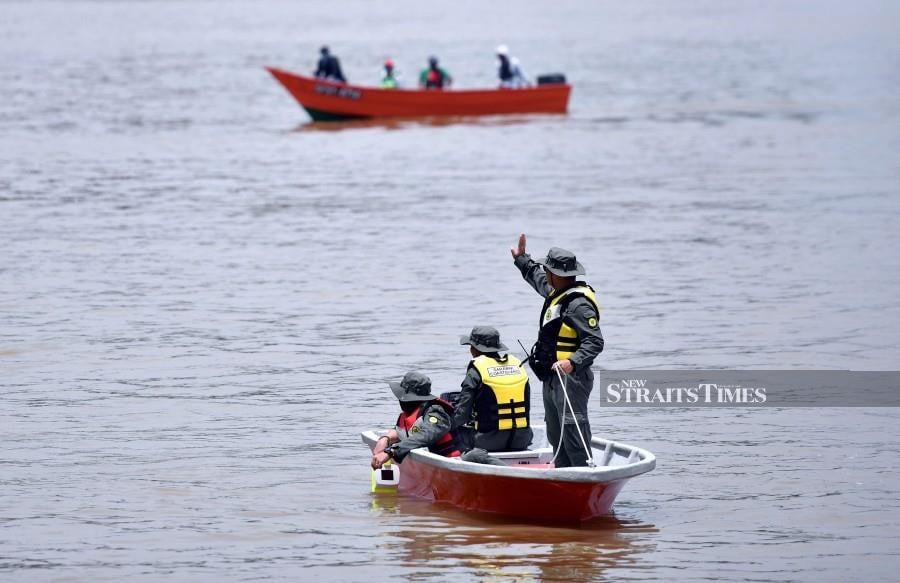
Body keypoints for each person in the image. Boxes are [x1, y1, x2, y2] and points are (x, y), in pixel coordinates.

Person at [510, 234, 604, 467]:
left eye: (548, 270)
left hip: (571, 379)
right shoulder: (556, 292)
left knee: (573, 430)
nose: (545, 274)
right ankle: (562, 472)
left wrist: (572, 362)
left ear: (557, 274)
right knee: (555, 433)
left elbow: (594, 341)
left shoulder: (579, 305)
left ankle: (583, 474)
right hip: (552, 379)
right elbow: (538, 278)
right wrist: (521, 259)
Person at [371, 371, 503, 470]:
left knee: (479, 457)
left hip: (462, 460)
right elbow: (402, 431)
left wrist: (391, 451)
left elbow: (426, 435)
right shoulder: (409, 414)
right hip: (439, 463)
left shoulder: (435, 411)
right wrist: (386, 439)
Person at [453, 326, 534, 452]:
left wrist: (445, 423)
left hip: (487, 442)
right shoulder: (518, 367)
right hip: (522, 440)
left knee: (451, 432)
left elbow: (462, 416)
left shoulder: (475, 372)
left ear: (475, 349)